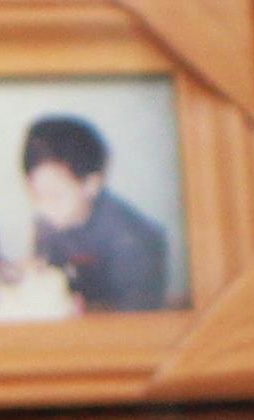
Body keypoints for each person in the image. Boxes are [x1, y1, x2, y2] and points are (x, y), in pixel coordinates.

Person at [20, 114, 173, 313]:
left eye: (54, 196)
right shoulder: (50, 218)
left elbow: (136, 322)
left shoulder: (135, 242)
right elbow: (48, 275)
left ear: (91, 185)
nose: (42, 209)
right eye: (36, 195)